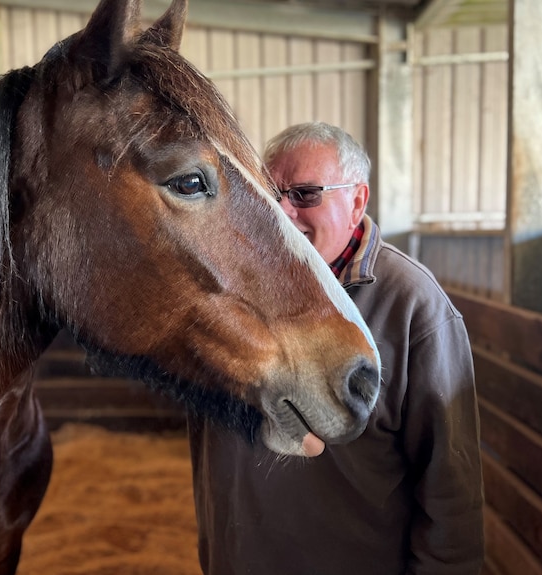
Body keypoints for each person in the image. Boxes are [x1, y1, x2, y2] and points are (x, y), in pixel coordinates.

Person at [187, 121, 484, 575]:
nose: (283, 213)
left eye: (306, 195)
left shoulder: (413, 308)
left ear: (357, 201)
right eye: (271, 194)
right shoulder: (226, 293)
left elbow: (451, 487)